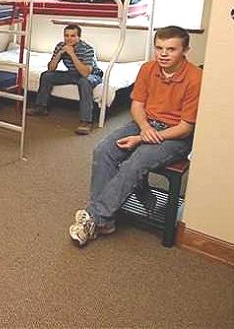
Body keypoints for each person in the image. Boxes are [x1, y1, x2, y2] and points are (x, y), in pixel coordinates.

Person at [69, 26, 201, 247]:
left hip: (175, 134)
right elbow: (137, 106)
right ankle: (105, 221)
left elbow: (186, 127)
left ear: (185, 50)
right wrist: (144, 128)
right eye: (159, 48)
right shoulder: (148, 69)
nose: (163, 54)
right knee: (103, 150)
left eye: (171, 49)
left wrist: (141, 138)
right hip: (146, 123)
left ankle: (96, 217)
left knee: (136, 162)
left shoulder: (196, 78)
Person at [27, 24, 102, 135]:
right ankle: (40, 107)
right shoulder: (61, 46)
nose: (69, 38)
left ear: (79, 37)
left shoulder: (87, 49)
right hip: (72, 73)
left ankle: (86, 121)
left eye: (73, 36)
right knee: (46, 75)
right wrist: (60, 54)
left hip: (91, 74)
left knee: (84, 82)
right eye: (66, 36)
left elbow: (85, 73)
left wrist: (72, 54)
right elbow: (51, 68)